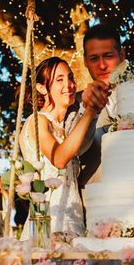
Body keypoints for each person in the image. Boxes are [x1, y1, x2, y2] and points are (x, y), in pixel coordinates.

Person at [19, 57, 100, 238]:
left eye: (70, 78)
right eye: (60, 80)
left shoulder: (67, 129)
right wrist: (90, 112)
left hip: (74, 216)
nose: (69, 85)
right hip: (49, 218)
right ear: (41, 88)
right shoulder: (38, 121)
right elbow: (59, 158)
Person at [70, 24, 126, 190]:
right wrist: (88, 111)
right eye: (94, 58)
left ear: (122, 55)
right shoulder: (72, 103)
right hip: (93, 204)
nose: (102, 65)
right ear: (85, 61)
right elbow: (74, 150)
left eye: (108, 56)